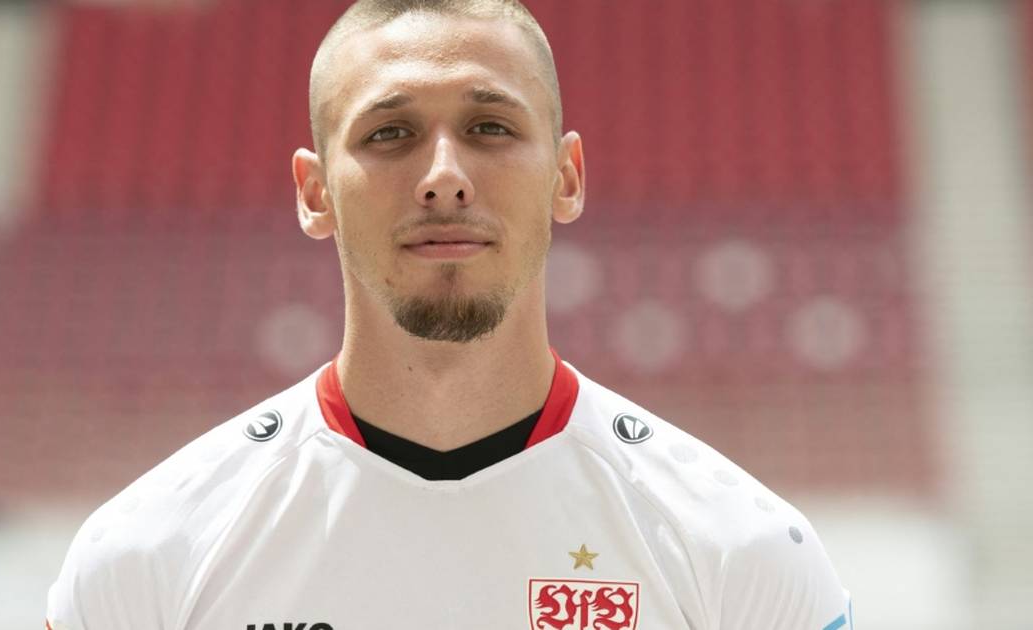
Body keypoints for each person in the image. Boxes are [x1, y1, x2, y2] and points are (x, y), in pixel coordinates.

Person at [46, 1, 852, 628]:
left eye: (489, 127)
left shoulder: (740, 554)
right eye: (390, 133)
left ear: (567, 176)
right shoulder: (147, 559)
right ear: (314, 192)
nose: (443, 176)